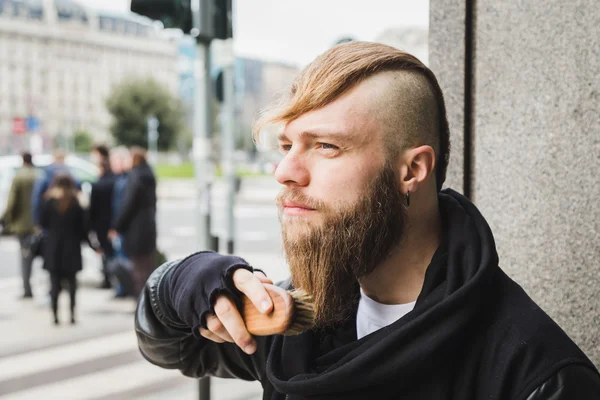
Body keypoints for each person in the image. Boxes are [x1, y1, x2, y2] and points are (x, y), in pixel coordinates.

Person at [134, 42, 600, 399]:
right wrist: (181, 283)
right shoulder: (304, 317)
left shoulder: (535, 374)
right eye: (286, 146)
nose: (285, 172)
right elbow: (170, 347)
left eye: (326, 146)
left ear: (412, 170)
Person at [40, 172, 96, 325]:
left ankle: (55, 316)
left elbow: (42, 223)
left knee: (54, 284)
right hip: (72, 248)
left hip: (53, 249)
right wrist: (92, 245)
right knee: (72, 285)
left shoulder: (48, 201)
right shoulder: (76, 202)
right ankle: (72, 315)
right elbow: (84, 227)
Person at [111, 147, 157, 298]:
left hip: (136, 228)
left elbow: (128, 205)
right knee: (147, 268)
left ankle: (142, 303)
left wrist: (118, 226)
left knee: (137, 269)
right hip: (149, 227)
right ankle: (151, 302)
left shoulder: (135, 177)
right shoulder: (149, 175)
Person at [0, 152, 40, 299]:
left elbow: (12, 202)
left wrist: (4, 219)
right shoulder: (39, 176)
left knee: (25, 257)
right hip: (38, 224)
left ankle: (27, 289)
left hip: (23, 224)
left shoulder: (19, 177)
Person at [88, 145, 115, 289]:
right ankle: (114, 278)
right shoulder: (116, 180)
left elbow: (93, 208)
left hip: (101, 223)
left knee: (106, 252)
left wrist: (90, 226)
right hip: (114, 222)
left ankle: (108, 278)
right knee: (113, 252)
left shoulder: (98, 185)